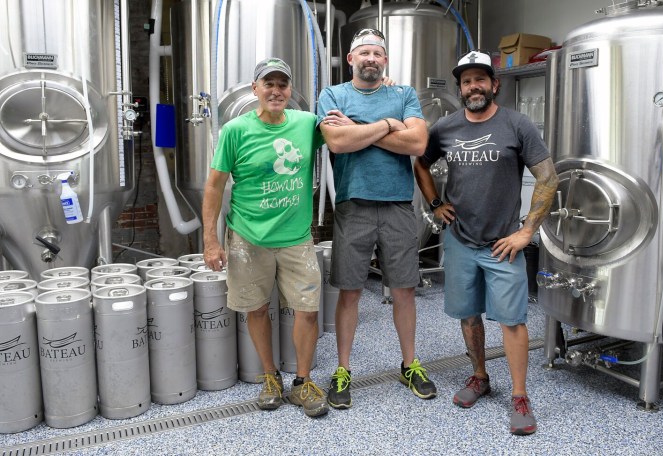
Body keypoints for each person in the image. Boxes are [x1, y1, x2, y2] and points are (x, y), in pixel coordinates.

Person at [414, 50, 559, 435]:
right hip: (460, 240)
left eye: (480, 79)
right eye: (466, 81)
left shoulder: (517, 124)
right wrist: (435, 203)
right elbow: (420, 163)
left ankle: (519, 395)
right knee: (468, 314)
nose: (473, 86)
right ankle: (479, 376)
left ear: (494, 85)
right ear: (460, 88)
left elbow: (548, 177)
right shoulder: (445, 127)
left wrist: (527, 231)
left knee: (512, 320)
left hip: (502, 242)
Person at [202, 57, 328, 418]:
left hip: (296, 238)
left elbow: (343, 133)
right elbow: (214, 187)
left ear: (290, 91)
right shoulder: (235, 130)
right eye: (268, 84)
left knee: (307, 310)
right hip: (247, 237)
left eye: (282, 85)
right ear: (255, 89)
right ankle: (270, 376)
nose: (276, 91)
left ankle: (302, 382)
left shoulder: (307, 124)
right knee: (256, 309)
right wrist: (211, 241)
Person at [317, 28, 435, 409]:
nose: (371, 58)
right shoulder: (333, 95)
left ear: (385, 60)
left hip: (399, 204)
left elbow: (417, 144)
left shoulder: (403, 94)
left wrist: (359, 128)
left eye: (378, 53)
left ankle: (410, 364)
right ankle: (343, 369)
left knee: (403, 289)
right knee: (349, 290)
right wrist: (388, 125)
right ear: (351, 58)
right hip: (354, 205)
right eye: (363, 52)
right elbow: (337, 142)